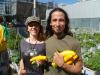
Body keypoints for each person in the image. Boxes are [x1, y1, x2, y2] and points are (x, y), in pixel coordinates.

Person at [44, 8, 83, 75]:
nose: (58, 24)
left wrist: (63, 65)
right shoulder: (45, 41)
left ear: (66, 22)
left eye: (61, 20)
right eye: (54, 20)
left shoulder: (74, 43)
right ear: (50, 23)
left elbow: (78, 70)